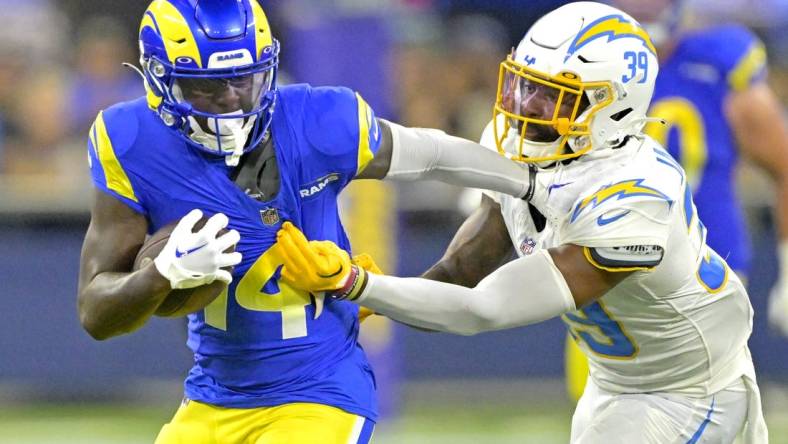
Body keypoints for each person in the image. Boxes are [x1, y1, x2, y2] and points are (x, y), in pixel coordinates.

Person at [274, 2, 769, 442]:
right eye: (524, 85)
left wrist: (357, 284)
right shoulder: (532, 141)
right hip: (618, 380)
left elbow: (482, 309)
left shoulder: (636, 197)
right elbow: (464, 268)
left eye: (552, 96)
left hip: (690, 388)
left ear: (612, 110)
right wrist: (373, 305)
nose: (524, 107)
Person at [76, 0, 542, 442]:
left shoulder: (317, 119)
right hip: (213, 394)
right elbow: (96, 313)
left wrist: (529, 181)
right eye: (208, 87)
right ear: (160, 80)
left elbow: (432, 153)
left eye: (246, 80)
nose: (234, 102)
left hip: (318, 390)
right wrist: (162, 275)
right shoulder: (130, 140)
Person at [561, 0, 788, 404]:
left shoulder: (716, 62)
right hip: (605, 268)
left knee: (690, 414)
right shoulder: (579, 71)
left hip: (704, 269)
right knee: (601, 413)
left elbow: (783, 164)